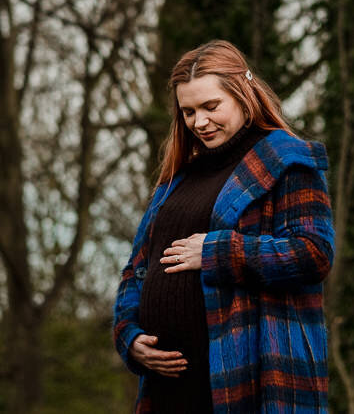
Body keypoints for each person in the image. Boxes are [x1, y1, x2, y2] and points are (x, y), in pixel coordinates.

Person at [113, 40, 334, 413]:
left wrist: (218, 251)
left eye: (211, 106)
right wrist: (129, 336)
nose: (199, 121)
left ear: (243, 94)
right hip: (167, 392)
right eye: (188, 111)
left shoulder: (287, 162)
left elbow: (313, 252)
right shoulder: (176, 179)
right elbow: (138, 269)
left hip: (246, 384)